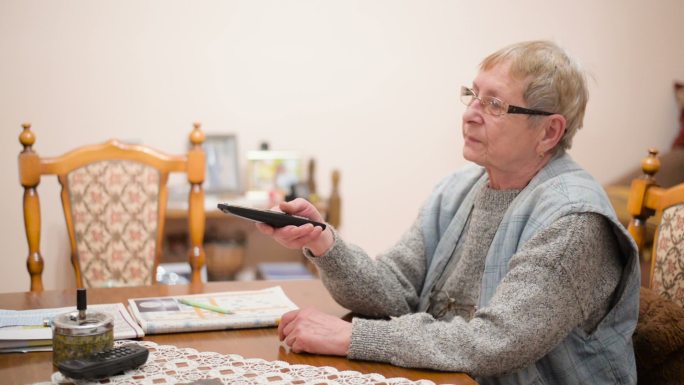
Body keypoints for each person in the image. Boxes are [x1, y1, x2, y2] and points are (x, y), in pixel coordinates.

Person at [256, 40, 640, 385]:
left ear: (549, 132)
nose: (470, 114)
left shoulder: (574, 222)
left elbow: (494, 343)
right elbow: (395, 292)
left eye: (494, 104)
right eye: (473, 95)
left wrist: (352, 338)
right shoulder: (458, 188)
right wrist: (323, 241)